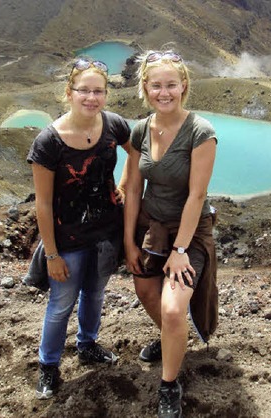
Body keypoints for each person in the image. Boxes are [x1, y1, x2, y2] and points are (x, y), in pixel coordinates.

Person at [26, 57, 133, 400]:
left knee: (96, 293)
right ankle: (48, 365)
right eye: (84, 90)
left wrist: (126, 185)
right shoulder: (49, 142)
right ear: (69, 93)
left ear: (106, 94)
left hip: (106, 231)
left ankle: (87, 345)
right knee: (61, 302)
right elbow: (42, 204)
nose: (91, 97)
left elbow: (140, 156)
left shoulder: (114, 125)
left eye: (98, 91)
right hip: (67, 237)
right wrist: (52, 255)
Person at [123, 49, 219, 418]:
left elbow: (196, 195)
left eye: (171, 85)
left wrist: (180, 250)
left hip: (188, 232)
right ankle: (172, 342)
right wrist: (129, 240)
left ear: (184, 87)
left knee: (173, 308)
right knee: (146, 291)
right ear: (145, 88)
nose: (164, 93)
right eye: (156, 85)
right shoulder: (141, 129)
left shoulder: (201, 132)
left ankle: (169, 385)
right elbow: (133, 188)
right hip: (151, 227)